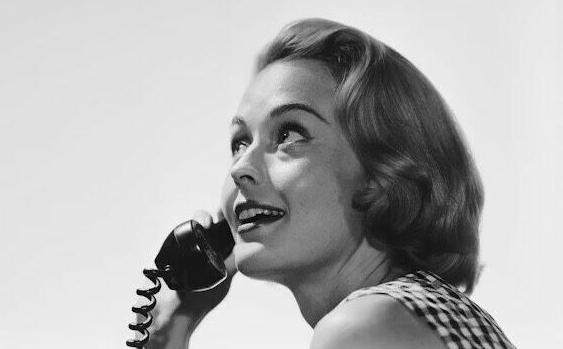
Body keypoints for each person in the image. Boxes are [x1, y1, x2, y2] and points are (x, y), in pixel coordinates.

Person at [136, 18, 515, 349]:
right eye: (240, 143)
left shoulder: (362, 329)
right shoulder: (431, 315)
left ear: (383, 173)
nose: (240, 169)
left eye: (289, 134)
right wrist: (168, 332)